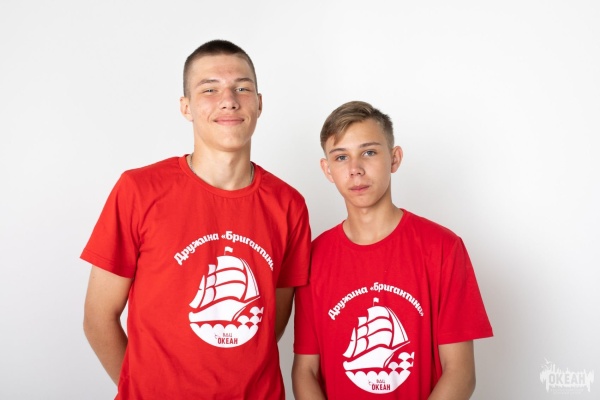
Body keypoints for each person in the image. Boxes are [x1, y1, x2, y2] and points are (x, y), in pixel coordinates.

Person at [81, 39, 311, 399]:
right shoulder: (138, 190)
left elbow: (269, 323)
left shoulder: (289, 205)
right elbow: (98, 319)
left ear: (259, 103)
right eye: (210, 89)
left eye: (242, 88)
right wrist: (141, 390)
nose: (229, 100)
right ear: (186, 107)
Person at [292, 101, 493, 399]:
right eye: (341, 157)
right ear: (328, 169)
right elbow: (305, 370)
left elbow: (460, 373)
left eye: (369, 152)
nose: (355, 169)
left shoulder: (443, 248)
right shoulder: (313, 257)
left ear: (394, 158)